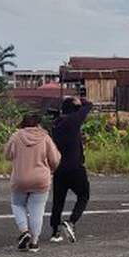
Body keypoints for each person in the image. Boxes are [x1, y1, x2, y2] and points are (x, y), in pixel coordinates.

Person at [5, 113, 61, 253]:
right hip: (41, 179)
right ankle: (34, 243)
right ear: (38, 124)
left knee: (17, 204)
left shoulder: (16, 136)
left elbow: (7, 155)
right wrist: (51, 169)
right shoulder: (45, 137)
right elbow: (54, 159)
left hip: (20, 178)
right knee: (37, 209)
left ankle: (24, 231)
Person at [49, 96, 93, 243]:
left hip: (59, 169)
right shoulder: (73, 121)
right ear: (74, 109)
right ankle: (71, 221)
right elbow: (88, 106)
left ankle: (55, 231)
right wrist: (80, 101)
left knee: (58, 201)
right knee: (84, 195)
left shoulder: (55, 125)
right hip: (75, 167)